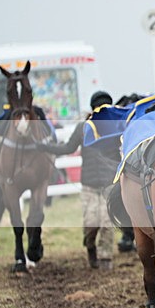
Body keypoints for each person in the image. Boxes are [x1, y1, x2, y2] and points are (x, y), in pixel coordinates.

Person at [37, 91, 119, 270]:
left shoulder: (117, 128)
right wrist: (44, 147)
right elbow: (67, 147)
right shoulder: (83, 128)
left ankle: (105, 258)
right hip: (89, 184)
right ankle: (90, 247)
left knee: (106, 222)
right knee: (91, 223)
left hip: (109, 184)